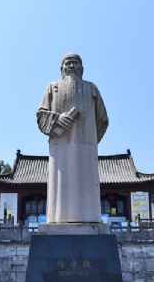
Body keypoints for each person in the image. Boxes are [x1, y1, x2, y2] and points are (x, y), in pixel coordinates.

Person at [36, 53, 108, 223]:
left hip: (86, 149)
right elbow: (40, 115)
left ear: (81, 68)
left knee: (87, 187)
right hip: (59, 148)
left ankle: (88, 217)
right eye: (68, 63)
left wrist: (90, 140)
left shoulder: (92, 88)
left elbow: (102, 119)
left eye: (75, 63)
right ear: (62, 69)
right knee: (58, 189)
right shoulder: (51, 87)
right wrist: (56, 120)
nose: (71, 66)